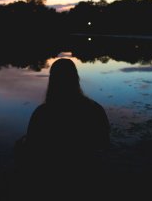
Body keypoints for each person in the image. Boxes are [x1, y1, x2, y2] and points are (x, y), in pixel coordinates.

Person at [11, 58, 110, 199]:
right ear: (76, 78)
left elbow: (32, 149)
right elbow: (104, 143)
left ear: (52, 80)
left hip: (51, 178)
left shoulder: (42, 113)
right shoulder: (95, 109)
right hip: (87, 174)